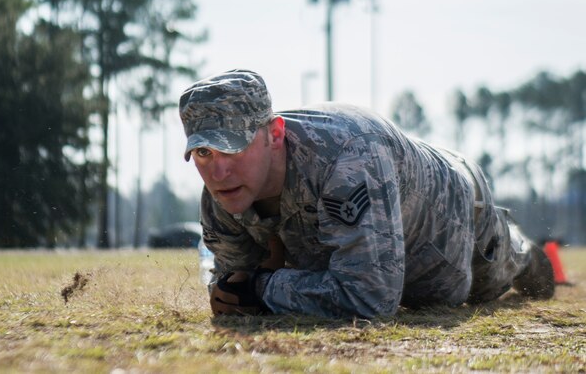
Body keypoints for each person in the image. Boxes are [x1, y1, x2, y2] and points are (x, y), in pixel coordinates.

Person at [178, 69, 555, 318]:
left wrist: (263, 289)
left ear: (274, 134)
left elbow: (370, 298)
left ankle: (527, 253)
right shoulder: (223, 194)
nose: (218, 171)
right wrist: (236, 291)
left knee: (495, 280)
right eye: (204, 152)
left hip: (454, 215)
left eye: (233, 148)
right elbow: (232, 287)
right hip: (385, 210)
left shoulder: (348, 158)